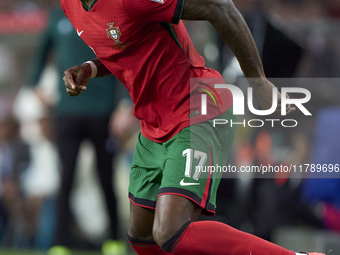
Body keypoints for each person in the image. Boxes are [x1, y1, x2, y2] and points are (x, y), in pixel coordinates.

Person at [60, 0, 324, 254]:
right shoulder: (69, 5)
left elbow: (219, 6)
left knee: (170, 231)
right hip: (154, 123)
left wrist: (260, 83)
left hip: (197, 106)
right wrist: (90, 69)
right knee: (141, 236)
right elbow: (121, 43)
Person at [28, 7, 127, 254]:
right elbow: (40, 54)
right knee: (65, 178)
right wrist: (34, 86)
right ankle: (60, 243)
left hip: (103, 112)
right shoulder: (58, 17)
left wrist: (124, 104)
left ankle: (113, 239)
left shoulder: (106, 14)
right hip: (67, 113)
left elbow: (121, 59)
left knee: (106, 177)